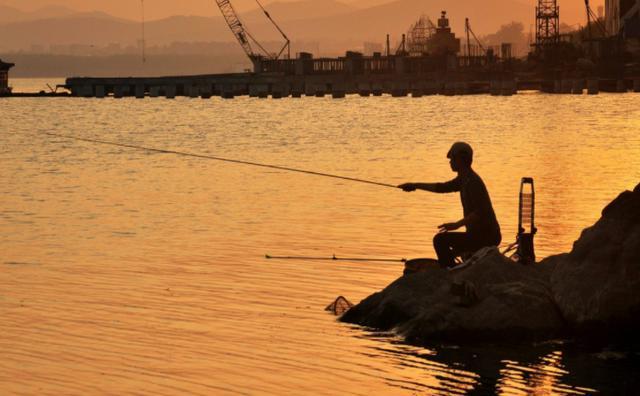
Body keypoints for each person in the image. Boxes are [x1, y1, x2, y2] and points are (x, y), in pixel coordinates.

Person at [398, 142, 501, 268]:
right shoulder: (463, 179)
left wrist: (457, 225)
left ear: (461, 159)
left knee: (440, 240)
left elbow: (479, 213)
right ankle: (451, 268)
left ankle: (449, 273)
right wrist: (415, 185)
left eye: (452, 158)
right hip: (477, 235)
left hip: (487, 237)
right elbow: (442, 187)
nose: (450, 162)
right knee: (446, 245)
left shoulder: (473, 182)